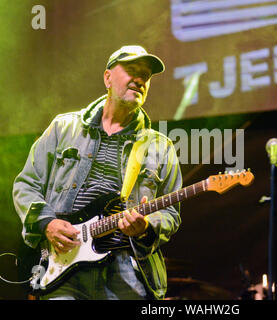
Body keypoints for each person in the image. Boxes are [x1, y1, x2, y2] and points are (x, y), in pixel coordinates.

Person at [13, 45, 182, 300]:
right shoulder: (63, 127)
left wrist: (145, 228)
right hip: (62, 262)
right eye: (132, 70)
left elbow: (171, 212)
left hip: (125, 268)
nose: (140, 79)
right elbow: (26, 185)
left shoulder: (160, 146)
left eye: (146, 76)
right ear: (107, 78)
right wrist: (47, 223)